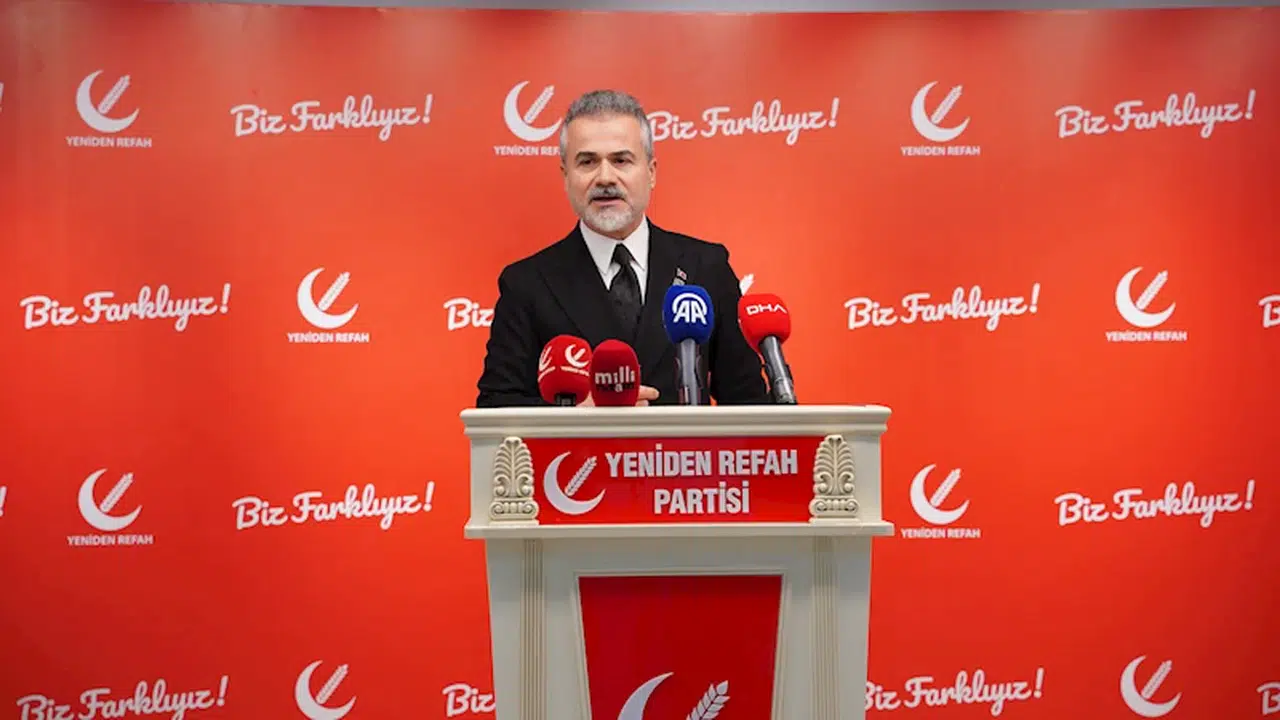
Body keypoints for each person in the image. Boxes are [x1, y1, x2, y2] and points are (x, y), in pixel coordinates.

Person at [475, 89, 769, 408]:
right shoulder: (526, 284)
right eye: (587, 162)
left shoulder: (707, 267)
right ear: (566, 176)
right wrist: (572, 415)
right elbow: (496, 406)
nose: (605, 177)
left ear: (651, 172)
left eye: (621, 160)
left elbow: (748, 402)